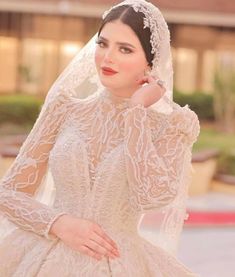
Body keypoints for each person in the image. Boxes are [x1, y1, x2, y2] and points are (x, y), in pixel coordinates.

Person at [0, 0, 200, 276]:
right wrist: (59, 223)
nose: (108, 58)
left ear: (150, 62)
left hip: (119, 263)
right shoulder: (65, 108)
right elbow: (8, 193)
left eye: (125, 49)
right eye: (103, 44)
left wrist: (136, 112)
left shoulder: (173, 125)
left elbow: (151, 195)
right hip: (46, 255)